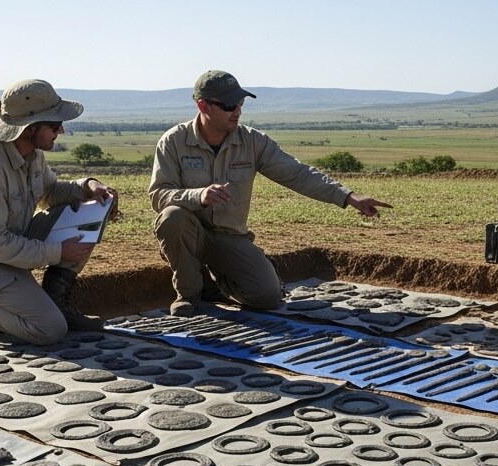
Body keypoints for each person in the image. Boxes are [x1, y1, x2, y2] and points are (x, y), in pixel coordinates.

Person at [149, 70, 392, 317]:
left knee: (266, 296)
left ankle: (215, 284)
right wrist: (197, 196)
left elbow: (298, 174)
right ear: (204, 106)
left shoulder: (253, 142)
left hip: (231, 237)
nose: (238, 111)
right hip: (190, 234)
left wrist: (348, 196)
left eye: (241, 103)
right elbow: (158, 195)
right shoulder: (173, 141)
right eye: (230, 105)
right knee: (172, 217)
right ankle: (189, 294)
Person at [0, 78, 117, 345]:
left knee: (91, 214)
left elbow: (50, 192)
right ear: (30, 128)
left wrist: (89, 188)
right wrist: (57, 252)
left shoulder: (32, 152)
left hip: (14, 241)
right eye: (55, 125)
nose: (61, 130)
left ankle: (58, 301)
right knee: (49, 329)